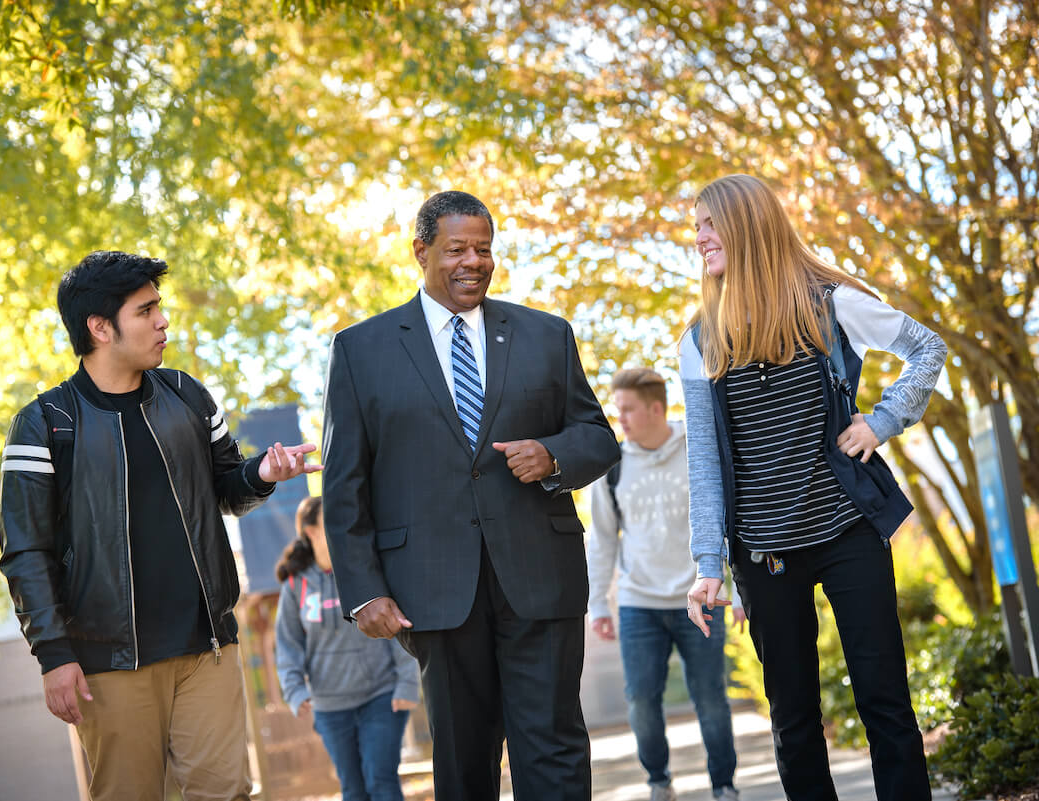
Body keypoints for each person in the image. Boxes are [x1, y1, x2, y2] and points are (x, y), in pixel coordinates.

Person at [321, 190, 620, 801]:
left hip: (540, 575)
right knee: (461, 759)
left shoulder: (546, 335)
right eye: (456, 249)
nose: (473, 262)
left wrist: (554, 455)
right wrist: (363, 588)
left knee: (555, 747)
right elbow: (344, 482)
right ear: (421, 252)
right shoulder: (361, 350)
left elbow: (597, 436)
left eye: (484, 249)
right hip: (431, 589)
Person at [0, 251, 320, 801]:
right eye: (145, 311)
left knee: (228, 793)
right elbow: (25, 550)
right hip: (109, 662)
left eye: (159, 308)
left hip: (207, 647)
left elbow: (225, 488)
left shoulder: (187, 395)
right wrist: (54, 654)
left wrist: (262, 472)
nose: (162, 321)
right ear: (100, 328)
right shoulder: (45, 424)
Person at [680, 175, 946, 801]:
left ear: (748, 224)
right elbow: (706, 460)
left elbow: (926, 348)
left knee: (884, 699)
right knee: (794, 722)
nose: (699, 238)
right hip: (764, 548)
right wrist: (707, 563)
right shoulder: (700, 339)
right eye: (695, 227)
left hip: (847, 530)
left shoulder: (829, 303)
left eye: (709, 224)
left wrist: (882, 421)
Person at [587, 367, 740, 801]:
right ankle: (658, 781)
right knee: (640, 700)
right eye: (618, 412)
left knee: (711, 699)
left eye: (629, 410)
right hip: (638, 603)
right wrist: (597, 603)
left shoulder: (700, 449)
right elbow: (601, 539)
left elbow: (732, 524)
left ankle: (724, 786)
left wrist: (741, 591)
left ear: (657, 408)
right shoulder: (612, 466)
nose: (622, 421)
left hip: (701, 596)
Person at [275, 496, 421, 801]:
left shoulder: (363, 571)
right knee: (353, 789)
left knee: (381, 780)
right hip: (329, 708)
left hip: (381, 697)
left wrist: (407, 684)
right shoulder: (296, 586)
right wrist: (294, 690)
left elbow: (394, 625)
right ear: (311, 531)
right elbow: (287, 644)